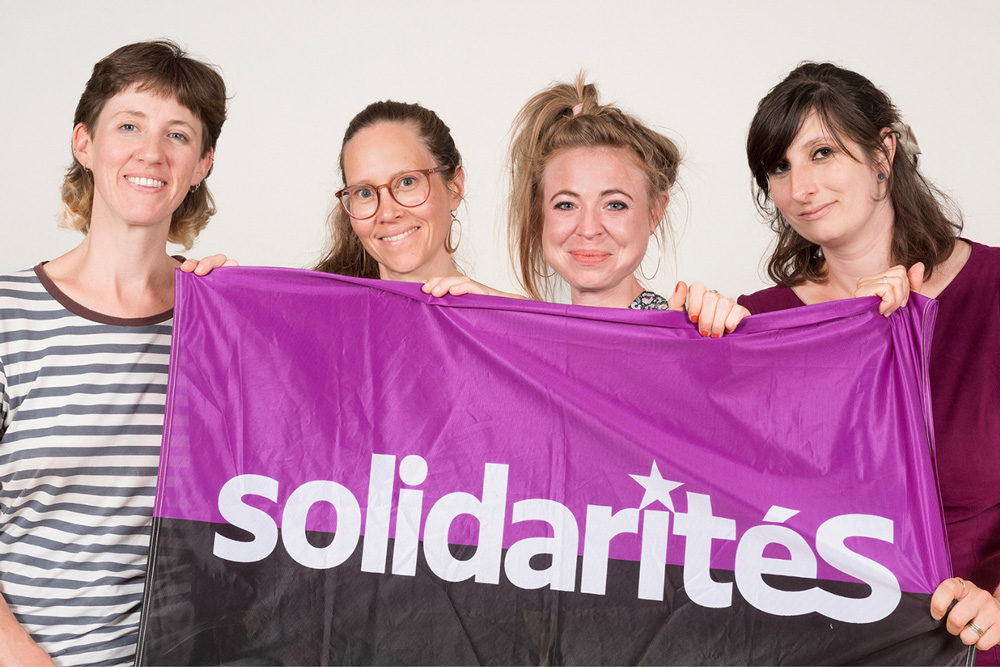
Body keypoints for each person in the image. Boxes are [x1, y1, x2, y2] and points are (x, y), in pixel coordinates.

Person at [739, 62, 1000, 662]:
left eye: (822, 152)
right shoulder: (759, 325)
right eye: (779, 167)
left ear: (883, 152)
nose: (800, 187)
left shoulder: (991, 293)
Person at [0, 40, 231, 665]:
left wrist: (476, 304)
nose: (151, 153)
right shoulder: (6, 317)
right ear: (85, 143)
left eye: (179, 135)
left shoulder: (225, 326)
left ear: (202, 162)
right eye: (128, 125)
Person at [506, 75, 748, 335]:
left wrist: (737, 336)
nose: (588, 229)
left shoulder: (688, 336)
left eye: (614, 205)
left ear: (654, 213)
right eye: (566, 205)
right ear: (539, 213)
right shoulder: (535, 343)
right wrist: (482, 310)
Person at [313, 100, 509, 297]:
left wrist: (494, 318)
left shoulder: (522, 321)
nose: (388, 213)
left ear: (454, 188)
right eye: (365, 193)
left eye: (407, 182)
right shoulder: (318, 319)